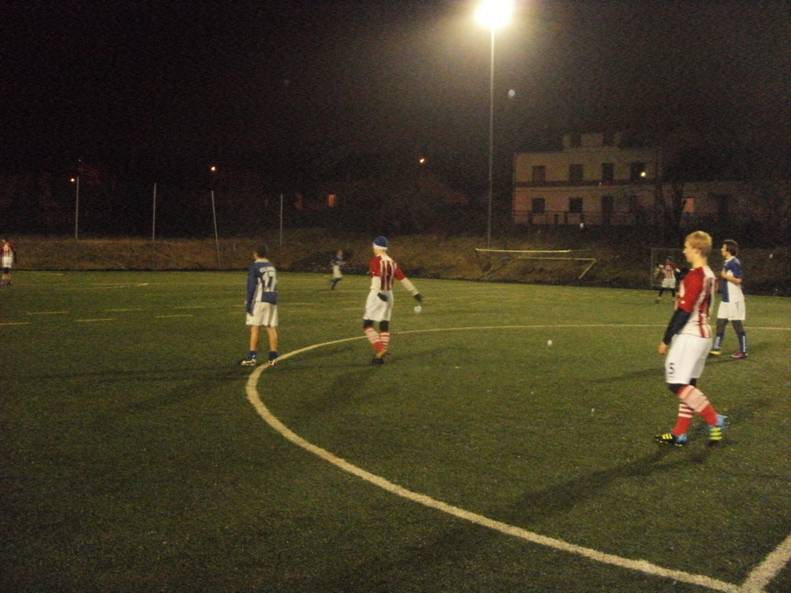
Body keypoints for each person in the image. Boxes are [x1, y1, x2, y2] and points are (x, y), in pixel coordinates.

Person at [655, 231, 728, 447]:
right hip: (703, 334)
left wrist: (666, 339)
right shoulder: (709, 274)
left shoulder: (696, 275)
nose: (684, 250)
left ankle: (714, 420)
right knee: (688, 385)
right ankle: (680, 433)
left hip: (691, 335)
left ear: (697, 249)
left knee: (675, 384)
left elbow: (684, 312)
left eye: (687, 247)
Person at [363, 236, 422, 365]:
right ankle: (379, 358)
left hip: (377, 294)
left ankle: (380, 349)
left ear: (376, 247)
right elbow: (402, 278)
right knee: (384, 325)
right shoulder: (392, 262)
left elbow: (377, 277)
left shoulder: (376, 260)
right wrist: (415, 292)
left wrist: (378, 293)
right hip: (389, 295)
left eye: (373, 247)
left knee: (367, 325)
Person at [240, 244, 279, 367]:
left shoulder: (255, 266)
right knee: (271, 327)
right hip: (272, 299)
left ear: (255, 253)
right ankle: (273, 358)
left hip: (259, 300)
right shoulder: (271, 266)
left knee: (255, 328)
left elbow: (251, 287)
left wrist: (248, 303)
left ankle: (252, 358)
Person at [710, 239, 747, 359]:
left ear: (728, 250)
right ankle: (716, 348)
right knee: (720, 323)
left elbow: (739, 280)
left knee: (737, 325)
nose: (721, 249)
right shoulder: (727, 262)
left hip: (734, 299)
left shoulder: (735, 262)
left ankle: (743, 351)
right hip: (726, 300)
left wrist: (725, 276)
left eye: (723, 247)